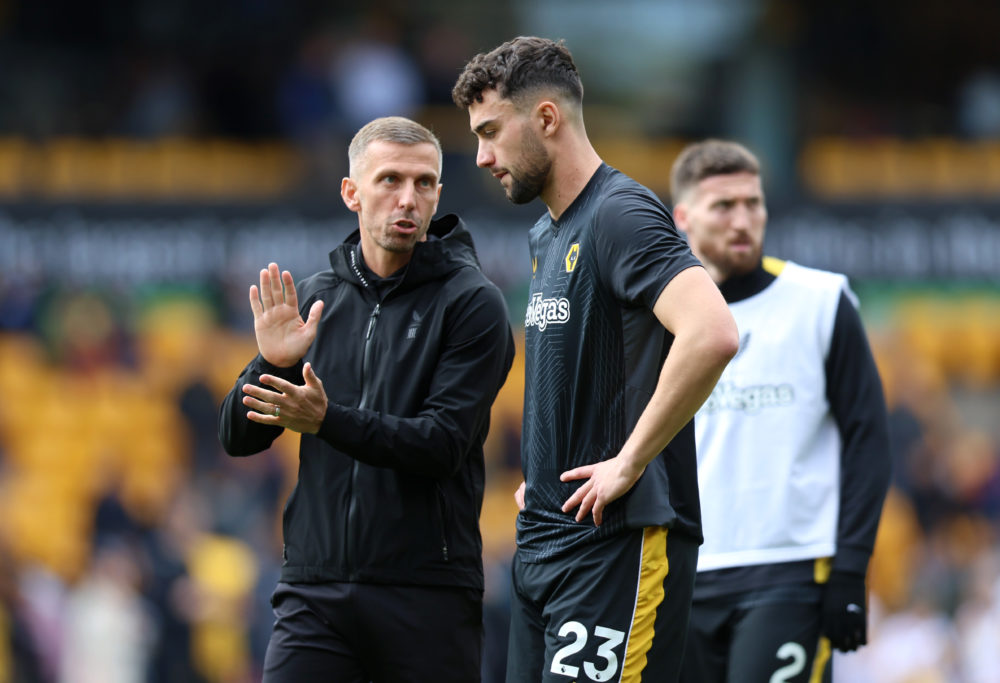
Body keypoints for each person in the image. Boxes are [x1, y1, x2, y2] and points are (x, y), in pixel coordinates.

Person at [452, 37, 740, 682]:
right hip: (546, 540)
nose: (482, 156)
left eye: (492, 132)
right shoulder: (546, 233)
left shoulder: (621, 214)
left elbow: (712, 331)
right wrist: (546, 475)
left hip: (616, 543)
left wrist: (628, 462)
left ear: (547, 118)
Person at [218, 116, 515, 683]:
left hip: (425, 595)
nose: (408, 198)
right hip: (314, 591)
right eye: (390, 181)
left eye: (424, 183)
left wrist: (328, 420)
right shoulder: (315, 298)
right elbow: (238, 438)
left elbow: (442, 445)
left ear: (438, 195)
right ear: (352, 192)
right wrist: (271, 362)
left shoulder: (473, 303)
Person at [669, 139, 892, 682]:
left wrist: (850, 570)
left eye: (754, 203)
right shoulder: (656, 318)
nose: (743, 219)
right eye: (724, 206)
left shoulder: (822, 301)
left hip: (791, 573)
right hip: (680, 575)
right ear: (683, 217)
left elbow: (868, 441)